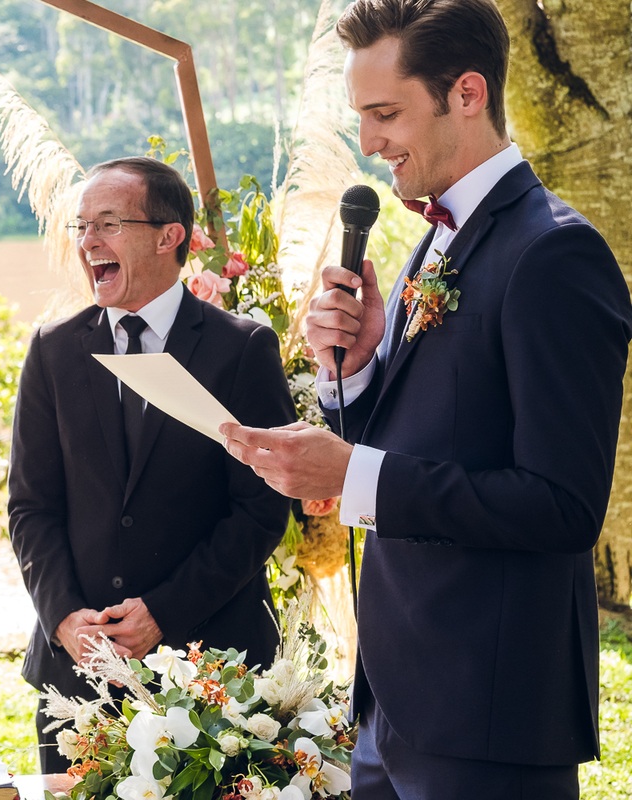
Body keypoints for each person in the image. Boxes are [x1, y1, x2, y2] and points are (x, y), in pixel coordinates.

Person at [219, 0, 632, 796]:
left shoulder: (554, 253)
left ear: (467, 94)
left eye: (385, 114)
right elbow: (423, 431)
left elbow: (563, 505)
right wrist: (359, 368)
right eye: (362, 116)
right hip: (395, 702)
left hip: (489, 710)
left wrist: (353, 476)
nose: (369, 142)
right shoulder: (434, 239)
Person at [7, 156, 295, 773]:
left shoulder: (242, 348)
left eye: (107, 224)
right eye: (80, 228)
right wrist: (62, 619)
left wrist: (164, 612)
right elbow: (31, 507)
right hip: (76, 675)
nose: (88, 243)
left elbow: (262, 510)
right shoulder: (52, 349)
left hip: (212, 671)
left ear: (170, 236)